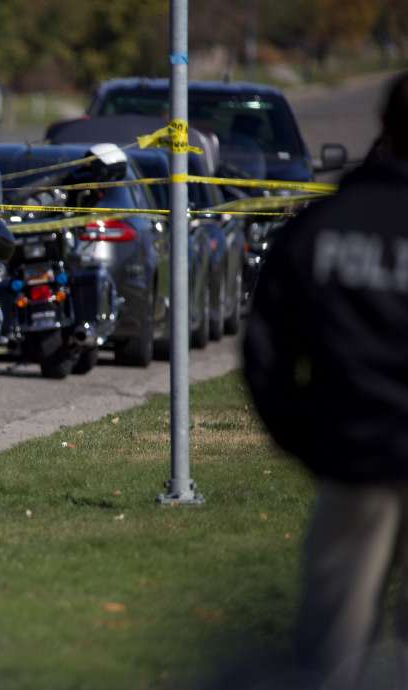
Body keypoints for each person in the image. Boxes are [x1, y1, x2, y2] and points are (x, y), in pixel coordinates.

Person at [244, 71, 408, 690]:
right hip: (355, 453)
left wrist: (314, 443)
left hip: (354, 461)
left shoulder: (324, 227)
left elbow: (264, 355)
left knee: (330, 650)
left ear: (386, 129)